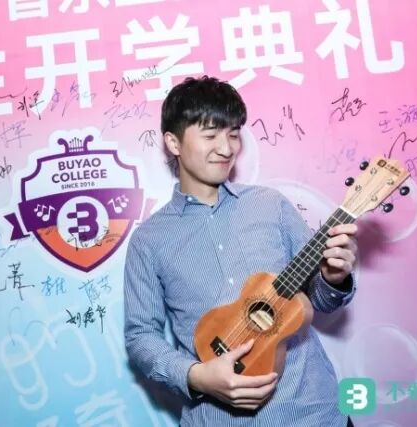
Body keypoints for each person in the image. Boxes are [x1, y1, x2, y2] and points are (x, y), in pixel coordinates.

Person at [124, 75, 358, 426]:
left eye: (233, 134)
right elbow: (140, 335)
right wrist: (195, 376)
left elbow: (320, 302)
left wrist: (333, 278)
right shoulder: (149, 240)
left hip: (312, 413)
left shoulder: (271, 205)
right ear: (173, 143)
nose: (226, 148)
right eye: (210, 135)